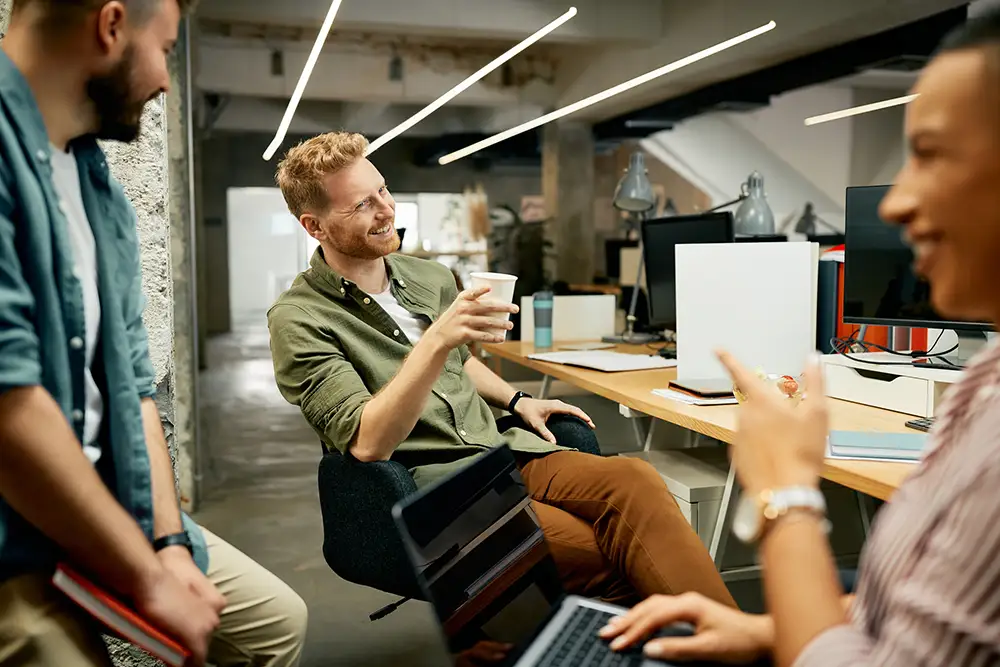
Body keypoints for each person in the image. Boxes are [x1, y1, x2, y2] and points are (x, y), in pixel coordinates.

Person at [601, 9, 1000, 667]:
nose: (896, 204)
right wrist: (761, 631)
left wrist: (786, 494)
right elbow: (907, 611)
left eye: (929, 154)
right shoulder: (982, 385)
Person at [267, 131, 736, 609]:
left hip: (499, 449)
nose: (387, 210)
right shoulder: (300, 319)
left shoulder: (427, 277)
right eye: (362, 205)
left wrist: (517, 400)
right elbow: (369, 442)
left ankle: (735, 643)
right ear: (316, 226)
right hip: (434, 486)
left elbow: (461, 363)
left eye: (383, 190)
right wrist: (436, 339)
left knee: (636, 480)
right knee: (607, 555)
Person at [0, 1, 307, 665]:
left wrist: (167, 543)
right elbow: (8, 409)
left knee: (276, 624)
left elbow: (135, 385)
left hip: (105, 492)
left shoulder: (94, 184)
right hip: (15, 529)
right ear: (110, 26)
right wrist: (146, 578)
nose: (168, 80)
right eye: (165, 49)